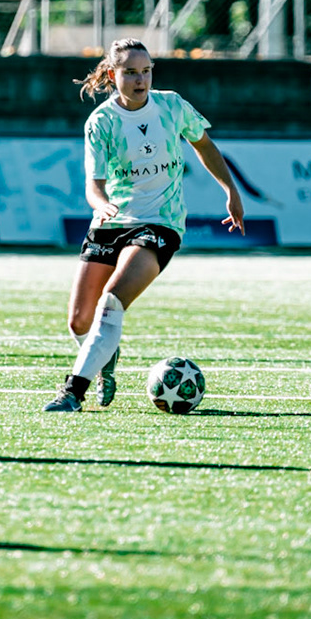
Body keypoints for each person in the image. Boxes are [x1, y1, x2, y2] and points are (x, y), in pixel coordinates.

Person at [44, 38, 244, 412]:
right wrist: (102, 205)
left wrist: (230, 189)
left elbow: (204, 145)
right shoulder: (101, 122)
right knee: (78, 321)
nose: (141, 80)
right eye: (131, 72)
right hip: (111, 222)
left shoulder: (171, 106)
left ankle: (73, 392)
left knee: (111, 303)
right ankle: (106, 357)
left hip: (160, 222)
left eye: (147, 71)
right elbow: (93, 185)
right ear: (111, 74)